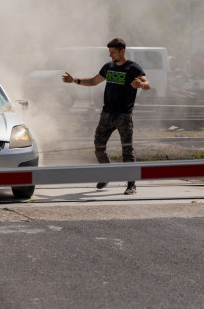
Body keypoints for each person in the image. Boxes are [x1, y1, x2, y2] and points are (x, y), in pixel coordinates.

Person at [62, 38, 150, 195]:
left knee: (127, 150)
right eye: (109, 52)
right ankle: (107, 173)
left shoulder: (133, 68)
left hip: (124, 115)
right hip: (106, 114)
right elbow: (94, 81)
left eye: (113, 52)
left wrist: (140, 85)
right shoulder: (108, 67)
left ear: (122, 51)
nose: (110, 55)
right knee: (99, 145)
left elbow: (147, 84)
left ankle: (131, 184)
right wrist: (74, 80)